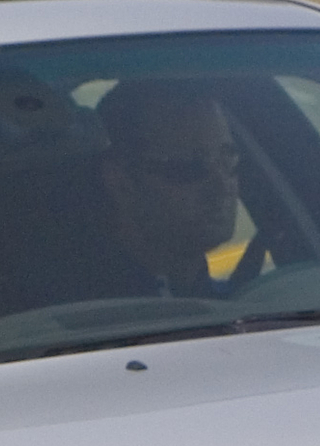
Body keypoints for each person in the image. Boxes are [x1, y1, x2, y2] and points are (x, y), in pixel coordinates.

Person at [94, 79, 242, 297]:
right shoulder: (79, 314)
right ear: (121, 182)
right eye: (189, 166)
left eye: (228, 160)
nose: (221, 186)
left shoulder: (242, 304)